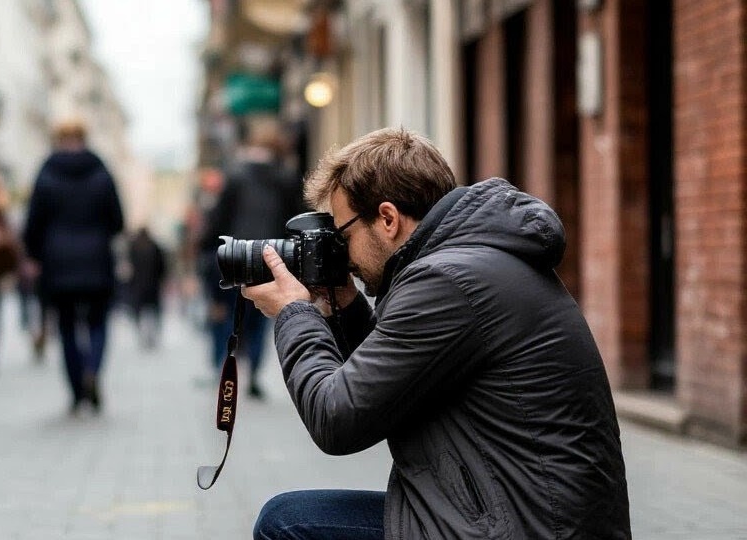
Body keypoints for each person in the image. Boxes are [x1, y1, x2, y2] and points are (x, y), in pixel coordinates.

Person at [242, 128, 630, 539]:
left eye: (344, 235)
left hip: (523, 528)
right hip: (521, 518)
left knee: (286, 524)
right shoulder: (471, 264)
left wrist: (294, 313)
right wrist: (345, 304)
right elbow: (389, 382)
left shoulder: (448, 281)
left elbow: (335, 418)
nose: (343, 254)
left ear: (388, 219)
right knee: (294, 515)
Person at [24, 118, 124, 415]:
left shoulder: (46, 173)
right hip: (96, 258)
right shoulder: (101, 173)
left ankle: (77, 390)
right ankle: (92, 369)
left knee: (66, 327)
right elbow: (118, 221)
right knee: (97, 323)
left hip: (58, 261)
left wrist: (34, 255)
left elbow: (33, 223)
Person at [199, 116, 304, 399]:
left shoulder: (235, 176)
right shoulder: (285, 178)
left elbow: (218, 220)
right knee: (260, 318)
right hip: (271, 257)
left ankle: (226, 368)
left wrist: (208, 249)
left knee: (230, 316)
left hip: (235, 256)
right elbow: (294, 220)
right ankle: (254, 372)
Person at [126, 227, 168, 350]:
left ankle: (143, 335)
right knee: (154, 312)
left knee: (140, 313)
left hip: (138, 286)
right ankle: (152, 335)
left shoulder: (134, 247)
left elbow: (130, 267)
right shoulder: (155, 247)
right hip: (153, 285)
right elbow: (162, 266)